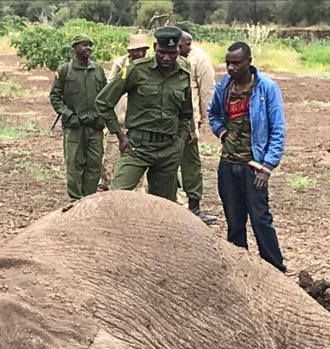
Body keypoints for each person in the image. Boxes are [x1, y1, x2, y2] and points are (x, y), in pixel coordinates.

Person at [208, 41, 287, 272]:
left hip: (254, 166)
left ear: (249, 62)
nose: (231, 68)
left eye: (236, 63)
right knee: (234, 222)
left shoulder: (266, 89)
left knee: (261, 220)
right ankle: (240, 270)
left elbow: (277, 130)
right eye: (228, 63)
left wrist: (267, 166)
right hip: (228, 164)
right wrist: (222, 133)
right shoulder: (225, 87)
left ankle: (275, 269)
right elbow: (212, 114)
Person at [96, 26, 193, 201]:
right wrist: (119, 135)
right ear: (155, 47)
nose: (166, 58)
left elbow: (186, 114)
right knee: (115, 197)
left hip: (168, 149)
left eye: (172, 53)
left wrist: (179, 143)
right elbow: (103, 102)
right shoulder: (137, 69)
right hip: (137, 147)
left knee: (164, 206)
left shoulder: (184, 71)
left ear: (178, 49)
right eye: (162, 52)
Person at [49, 34, 108, 201]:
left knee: (94, 164)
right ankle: (75, 199)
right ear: (75, 48)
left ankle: (89, 198)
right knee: (74, 164)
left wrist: (101, 117)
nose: (88, 48)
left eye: (90, 45)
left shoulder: (98, 69)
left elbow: (105, 96)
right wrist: (68, 114)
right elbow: (55, 97)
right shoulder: (64, 70)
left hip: (94, 126)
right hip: (74, 127)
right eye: (84, 45)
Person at [178, 29, 218, 224]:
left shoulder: (199, 59)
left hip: (187, 122)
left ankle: (194, 207)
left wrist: (202, 118)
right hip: (164, 124)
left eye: (185, 44)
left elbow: (206, 90)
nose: (183, 48)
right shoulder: (165, 57)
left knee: (191, 164)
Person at [99, 34, 149, 191]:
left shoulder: (149, 67)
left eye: (143, 50)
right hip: (119, 123)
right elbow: (109, 93)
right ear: (130, 51)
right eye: (136, 50)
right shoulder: (120, 65)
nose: (140, 54)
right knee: (110, 164)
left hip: (138, 127)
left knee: (137, 168)